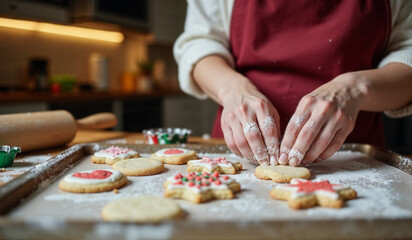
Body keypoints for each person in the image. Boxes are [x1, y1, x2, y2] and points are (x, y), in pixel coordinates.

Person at [174, 0, 412, 166]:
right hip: (240, 149)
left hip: (352, 156)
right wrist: (234, 91)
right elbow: (200, 42)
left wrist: (355, 88)